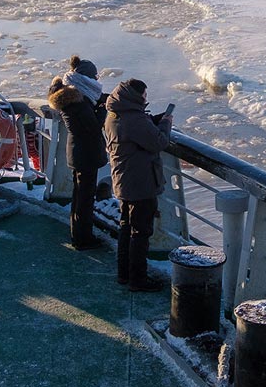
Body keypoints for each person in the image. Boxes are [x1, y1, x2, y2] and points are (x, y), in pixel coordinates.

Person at [102, 78, 172, 291]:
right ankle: (138, 279)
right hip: (140, 182)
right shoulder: (133, 119)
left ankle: (124, 274)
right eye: (144, 96)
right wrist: (166, 123)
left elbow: (138, 132)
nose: (145, 99)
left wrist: (153, 121)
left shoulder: (115, 112)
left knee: (126, 228)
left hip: (124, 180)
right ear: (136, 96)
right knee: (140, 232)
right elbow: (158, 142)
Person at [47, 55, 108, 250]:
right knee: (84, 198)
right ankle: (83, 239)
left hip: (79, 152)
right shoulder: (78, 103)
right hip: (86, 154)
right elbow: (93, 126)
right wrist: (103, 110)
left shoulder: (72, 95)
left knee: (80, 195)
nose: (97, 80)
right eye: (95, 77)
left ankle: (79, 234)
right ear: (87, 78)